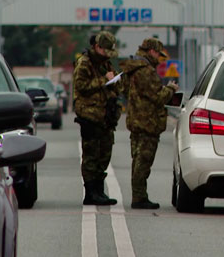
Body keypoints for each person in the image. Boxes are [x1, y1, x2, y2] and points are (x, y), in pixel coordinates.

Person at [120, 38, 178, 209]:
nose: (159, 59)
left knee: (137, 160)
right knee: (143, 161)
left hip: (136, 120)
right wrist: (170, 89)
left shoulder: (131, 69)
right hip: (147, 122)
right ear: (152, 51)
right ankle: (139, 197)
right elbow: (157, 97)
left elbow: (124, 90)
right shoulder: (146, 71)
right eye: (159, 55)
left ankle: (139, 195)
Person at [73, 31, 122, 206]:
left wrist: (115, 82)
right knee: (91, 156)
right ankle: (91, 192)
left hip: (105, 117)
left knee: (104, 155)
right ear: (97, 47)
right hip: (90, 116)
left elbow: (114, 84)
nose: (107, 55)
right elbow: (81, 86)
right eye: (105, 51)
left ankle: (99, 191)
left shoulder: (105, 63)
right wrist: (104, 80)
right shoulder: (84, 63)